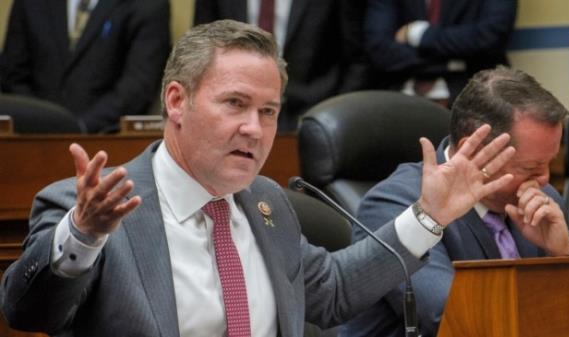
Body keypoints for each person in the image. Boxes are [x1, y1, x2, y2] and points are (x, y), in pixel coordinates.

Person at [1, 20, 516, 337]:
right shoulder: (89, 207)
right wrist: (84, 237)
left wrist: (430, 217)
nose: (255, 128)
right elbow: (27, 313)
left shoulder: (265, 201)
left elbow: (331, 291)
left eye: (269, 111)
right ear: (176, 101)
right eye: (235, 104)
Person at [341, 66, 569, 337]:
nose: (543, 179)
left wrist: (567, 254)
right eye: (530, 168)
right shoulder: (398, 204)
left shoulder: (544, 202)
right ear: (473, 149)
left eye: (550, 163)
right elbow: (451, 317)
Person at [194, 0, 371, 132]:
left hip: (313, 115)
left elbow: (356, 59)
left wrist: (336, 115)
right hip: (233, 114)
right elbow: (202, 51)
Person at [0, 0, 171, 133]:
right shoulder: (30, 3)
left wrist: (79, 127)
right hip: (29, 141)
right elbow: (13, 75)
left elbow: (137, 86)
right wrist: (42, 121)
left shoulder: (148, 4)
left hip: (106, 142)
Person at [364, 0, 516, 106]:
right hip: (398, 95)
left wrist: (417, 33)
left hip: (471, 95)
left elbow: (489, 37)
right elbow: (380, 50)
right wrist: (452, 62)